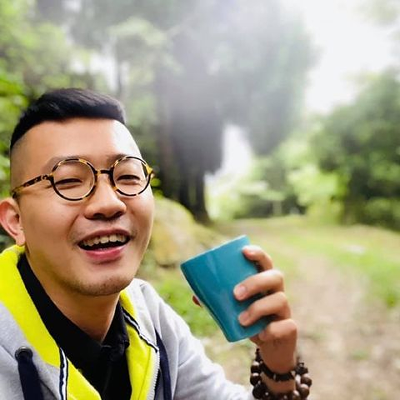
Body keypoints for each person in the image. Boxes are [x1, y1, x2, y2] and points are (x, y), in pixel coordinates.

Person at [0, 88, 310, 400]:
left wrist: (278, 368)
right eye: (67, 181)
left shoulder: (148, 315)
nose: (109, 203)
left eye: (128, 176)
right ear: (16, 220)